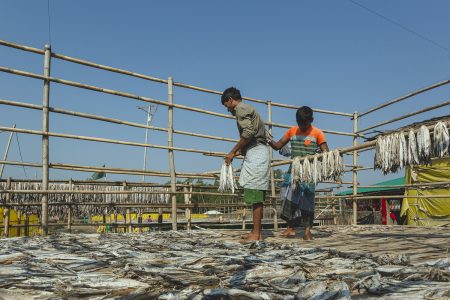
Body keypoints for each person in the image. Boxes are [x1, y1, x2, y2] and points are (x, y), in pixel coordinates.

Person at [269, 106, 329, 240]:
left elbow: (325, 150)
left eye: (304, 123)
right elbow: (278, 145)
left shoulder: (318, 133)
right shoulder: (292, 131)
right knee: (287, 196)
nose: (301, 126)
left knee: (308, 200)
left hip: (309, 173)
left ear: (311, 120)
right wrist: (268, 139)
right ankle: (290, 228)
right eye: (299, 123)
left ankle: (307, 231)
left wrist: (321, 153)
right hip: (293, 171)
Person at [221, 87, 270, 242]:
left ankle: (256, 234)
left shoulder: (241, 108)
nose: (228, 110)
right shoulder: (248, 108)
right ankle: (257, 232)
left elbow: (248, 132)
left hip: (256, 152)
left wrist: (232, 151)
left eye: (226, 106)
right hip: (256, 152)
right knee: (255, 193)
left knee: (255, 193)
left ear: (230, 100)